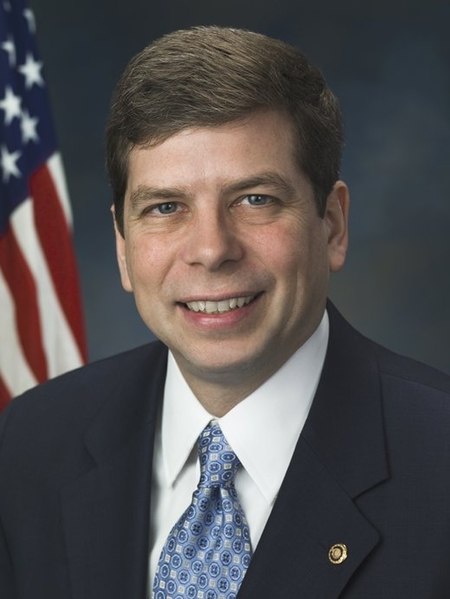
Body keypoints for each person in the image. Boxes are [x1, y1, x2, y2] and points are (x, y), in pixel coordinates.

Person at [1, 26, 450, 599]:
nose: (212, 250)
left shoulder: (438, 463)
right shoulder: (31, 445)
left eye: (255, 199)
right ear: (121, 245)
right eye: (166, 207)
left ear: (332, 224)